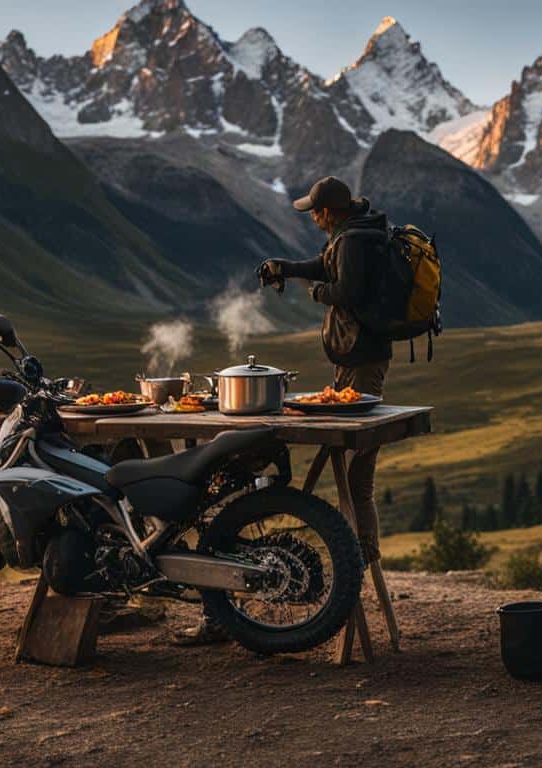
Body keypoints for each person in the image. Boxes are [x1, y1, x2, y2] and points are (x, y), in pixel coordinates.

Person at [173, 176, 393, 645]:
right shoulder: (348, 235)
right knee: (348, 468)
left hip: (363, 364)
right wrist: (288, 269)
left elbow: (346, 291)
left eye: (314, 211)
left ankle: (361, 555)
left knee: (358, 474)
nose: (311, 218)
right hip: (352, 361)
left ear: (329, 212)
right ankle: (351, 551)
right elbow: (325, 264)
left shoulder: (353, 241)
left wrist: (315, 293)